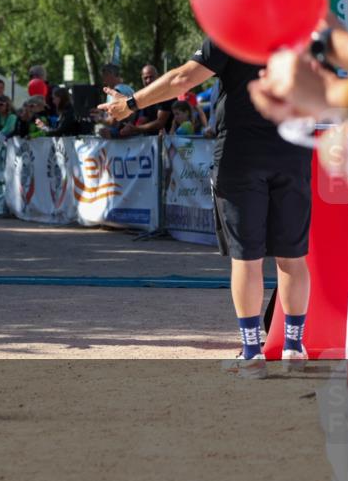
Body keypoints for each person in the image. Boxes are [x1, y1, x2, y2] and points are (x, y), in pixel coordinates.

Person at [100, 38, 313, 378]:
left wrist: (131, 103)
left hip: (241, 155)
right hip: (294, 149)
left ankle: (253, 352)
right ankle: (293, 347)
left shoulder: (232, 30)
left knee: (247, 257)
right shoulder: (302, 28)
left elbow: (182, 79)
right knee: (292, 256)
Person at [120, 65, 174, 137]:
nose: (148, 80)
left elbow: (160, 123)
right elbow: (144, 118)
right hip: (149, 140)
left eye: (151, 77)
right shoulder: (145, 96)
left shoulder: (166, 94)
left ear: (158, 77)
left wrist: (135, 129)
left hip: (169, 141)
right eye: (145, 78)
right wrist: (128, 127)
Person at [93, 64, 135, 138]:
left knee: (101, 131)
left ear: (111, 75)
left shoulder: (115, 91)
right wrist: (103, 114)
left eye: (105, 75)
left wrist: (100, 119)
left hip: (122, 137)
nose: (103, 80)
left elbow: (113, 122)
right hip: (133, 136)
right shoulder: (129, 89)